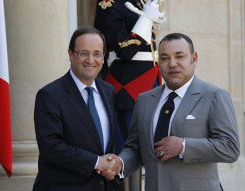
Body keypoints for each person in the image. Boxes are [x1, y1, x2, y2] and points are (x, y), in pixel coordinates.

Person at [104, 33, 240, 191]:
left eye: (179, 56)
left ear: (194, 59)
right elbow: (136, 149)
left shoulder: (214, 96)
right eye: (165, 58)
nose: (172, 64)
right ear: (158, 62)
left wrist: (184, 146)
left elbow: (230, 148)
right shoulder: (144, 100)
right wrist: (121, 163)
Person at [33, 26, 117, 191]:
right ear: (70, 55)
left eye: (97, 54)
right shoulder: (50, 95)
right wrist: (96, 162)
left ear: (103, 57)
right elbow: (50, 147)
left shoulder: (109, 91)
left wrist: (112, 165)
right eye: (84, 53)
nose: (91, 60)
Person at [94, 1, 166, 189]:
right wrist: (146, 18)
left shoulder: (139, 2)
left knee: (149, 144)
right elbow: (125, 50)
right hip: (128, 86)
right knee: (126, 145)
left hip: (149, 79)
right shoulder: (109, 5)